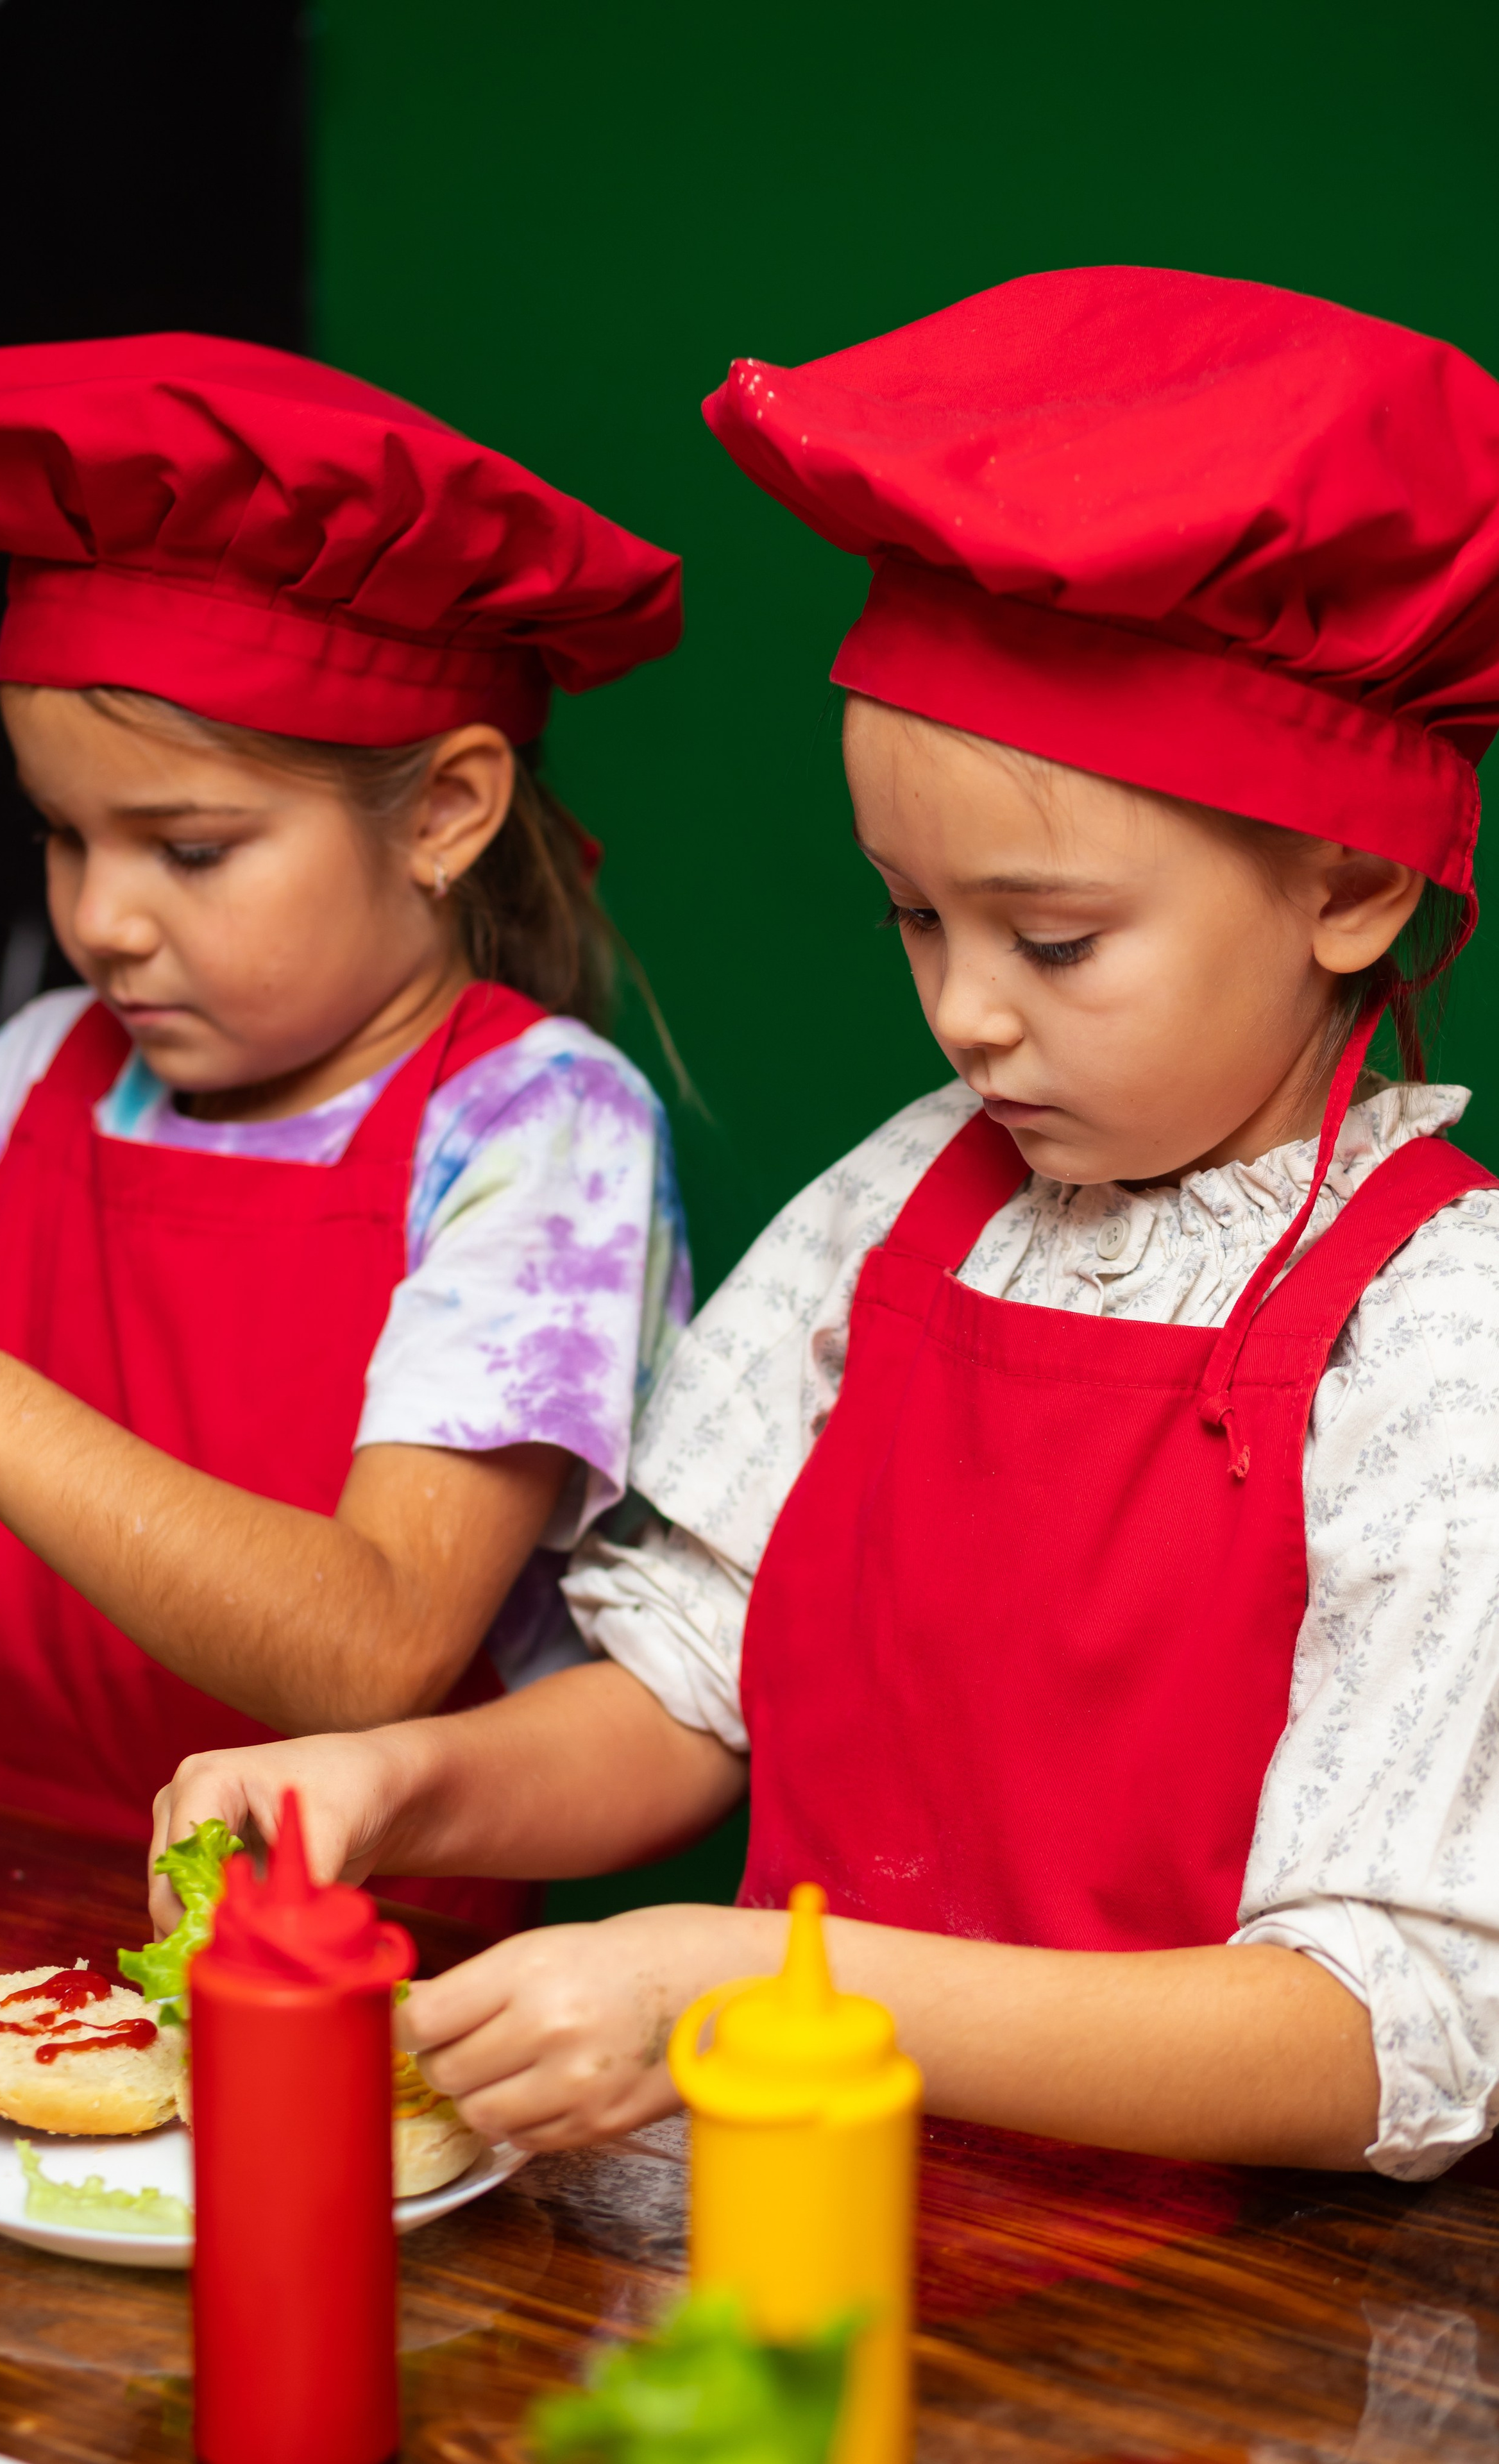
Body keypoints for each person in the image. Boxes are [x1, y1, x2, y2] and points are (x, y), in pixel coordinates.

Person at [151, 271, 1499, 2179]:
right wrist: (408, 1780)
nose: (965, 1012)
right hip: (803, 2232)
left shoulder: (1446, 1340)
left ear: (1351, 884)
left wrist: (758, 1990)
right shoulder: (904, 1199)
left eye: (1052, 939)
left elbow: (1384, 2035)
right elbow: (701, 1685)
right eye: (911, 918)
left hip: (1216, 2337)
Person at [0, 335, 690, 1933]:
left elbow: (375, 1647)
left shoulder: (537, 1125)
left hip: (372, 1998)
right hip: (2, 1915)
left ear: (444, 810)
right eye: (64, 834)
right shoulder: (36, 1069)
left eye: (190, 847)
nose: (102, 918)